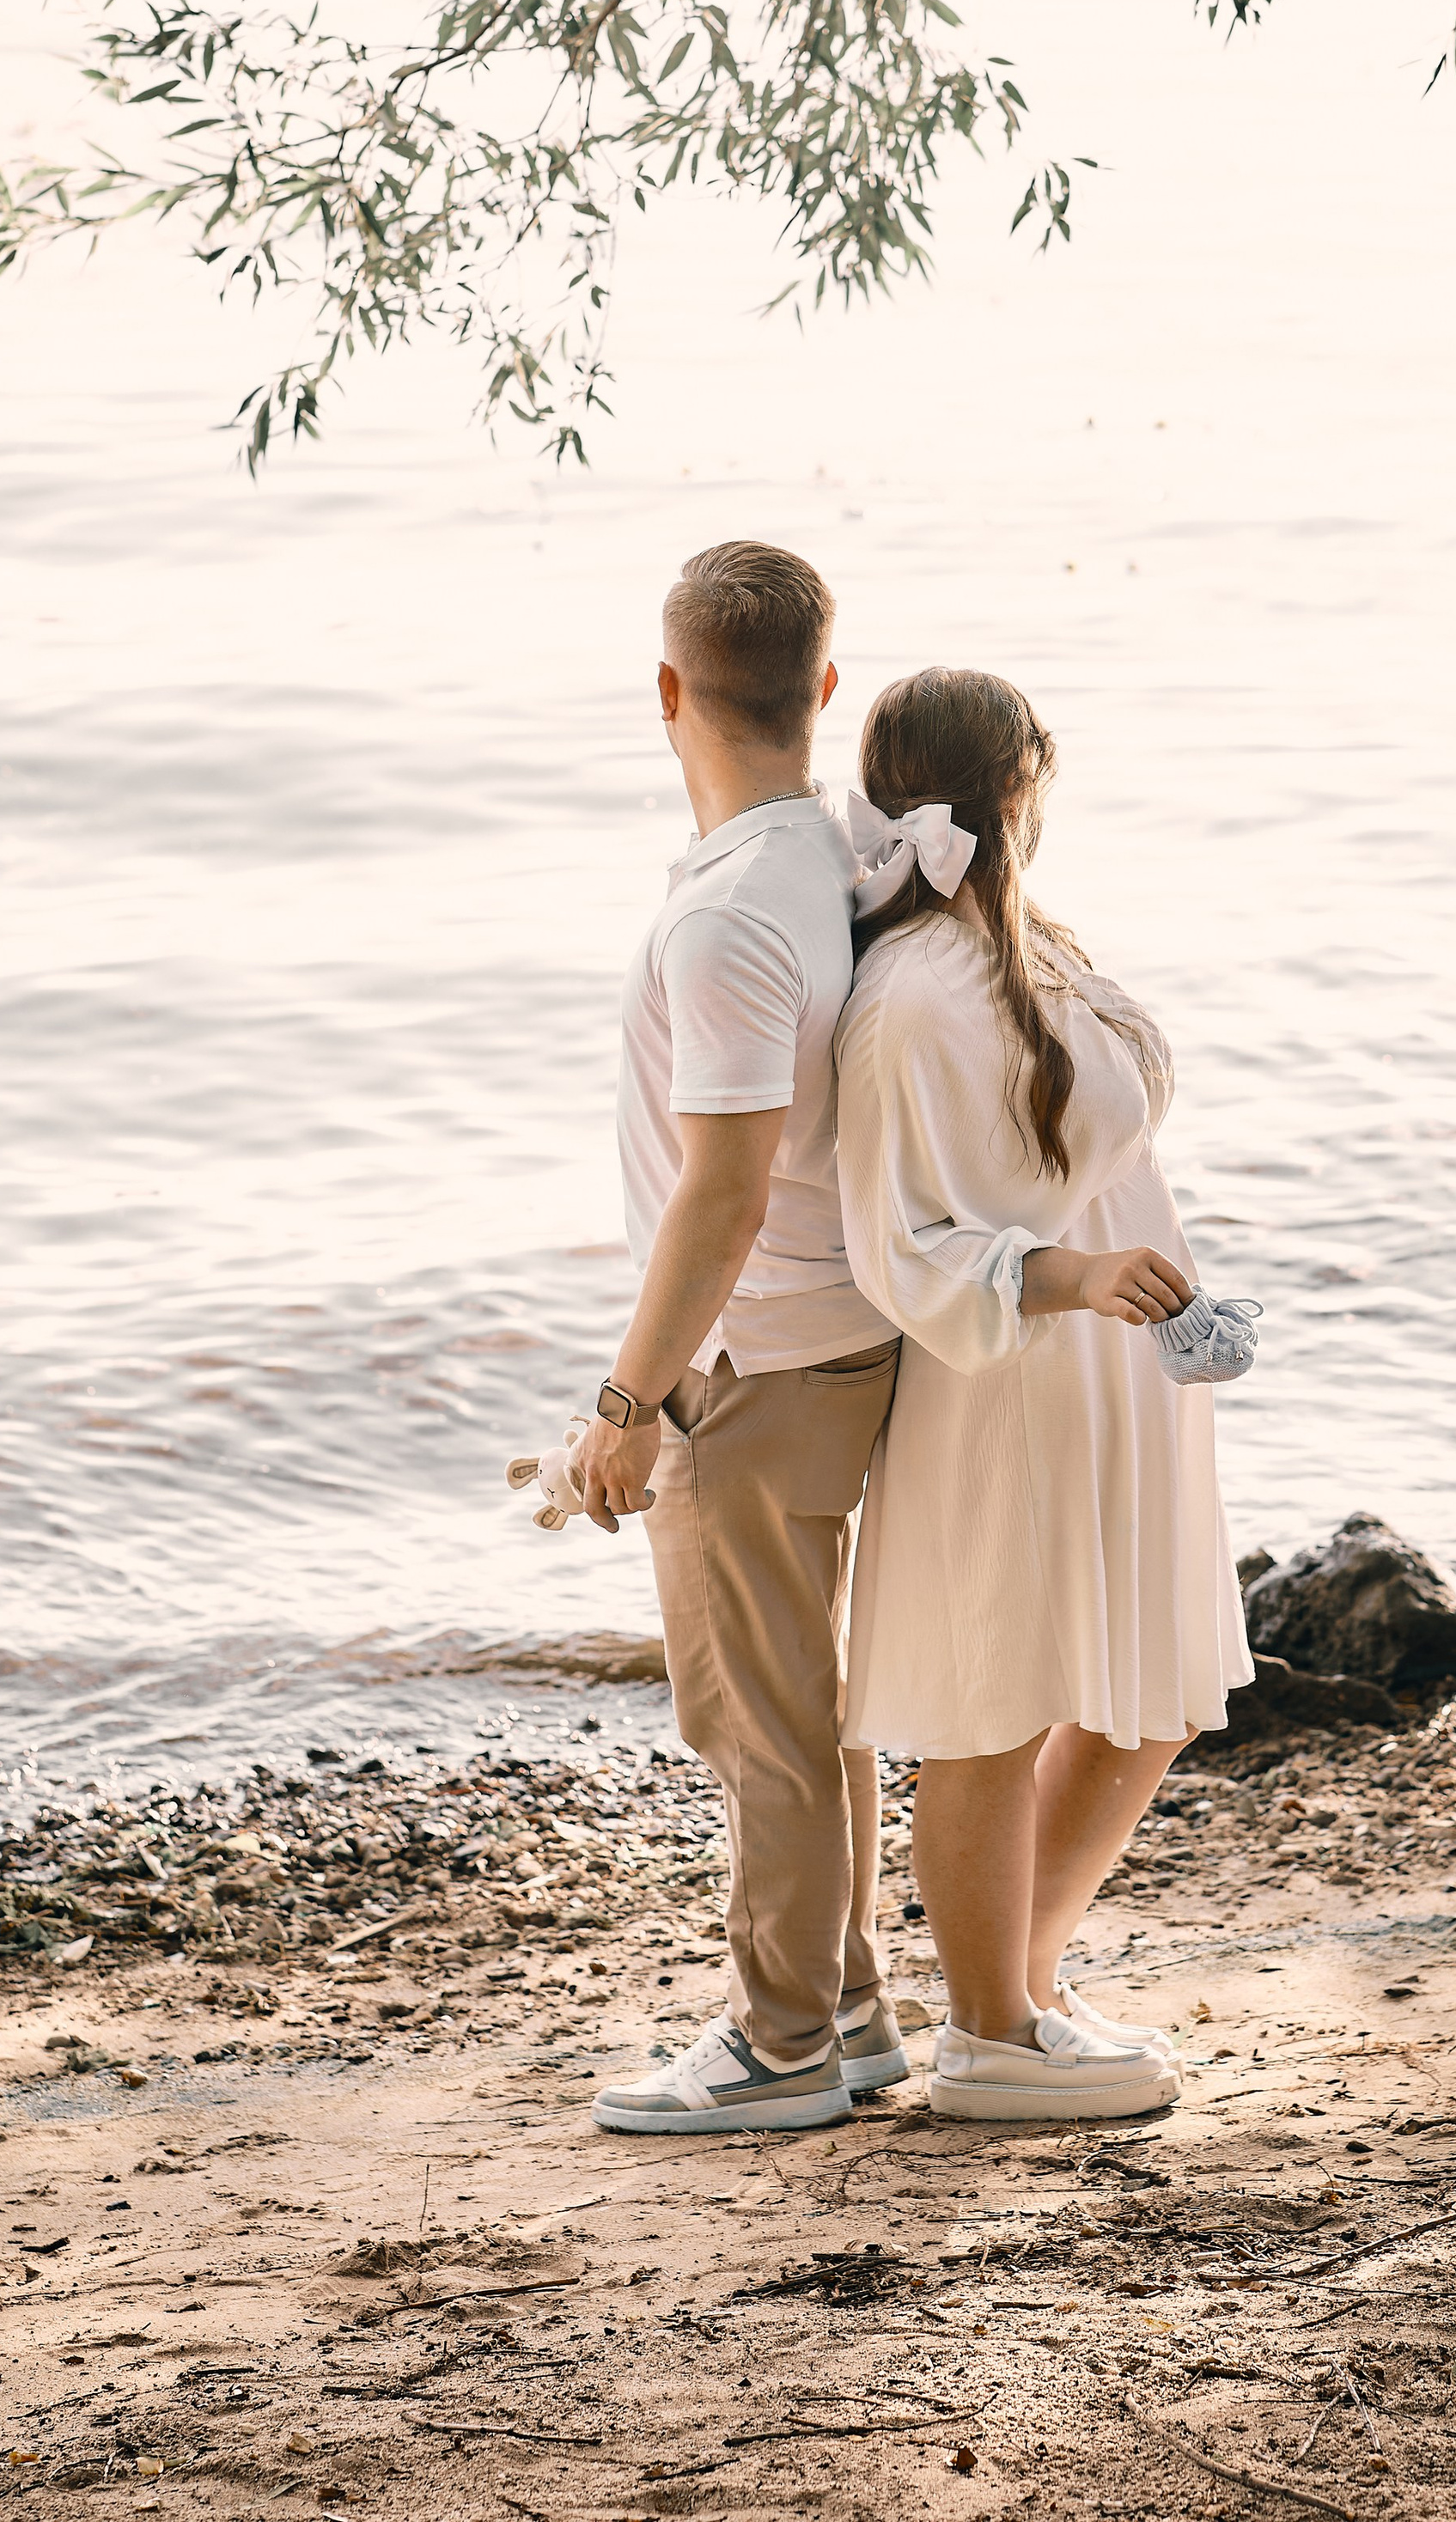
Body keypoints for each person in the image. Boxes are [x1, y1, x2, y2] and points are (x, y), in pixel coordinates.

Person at [832, 667, 1254, 2121]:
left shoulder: (1022, 939)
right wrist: (1070, 1279)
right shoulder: (901, 998)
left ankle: (1026, 1973)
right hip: (1008, 1379)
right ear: (1021, 790)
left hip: (1124, 1374)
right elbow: (899, 1243)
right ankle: (988, 2030)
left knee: (1150, 1690)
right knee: (993, 1697)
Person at [576, 542, 905, 2135]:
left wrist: (629, 1400)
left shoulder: (730, 919)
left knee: (757, 1721)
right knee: (810, 1702)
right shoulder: (828, 859)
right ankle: (844, 2009)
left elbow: (722, 1187)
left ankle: (776, 2045)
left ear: (666, 693)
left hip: (757, 1362)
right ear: (823, 690)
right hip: (828, 1335)